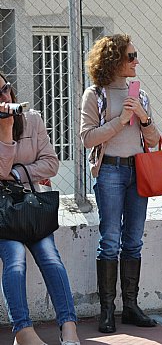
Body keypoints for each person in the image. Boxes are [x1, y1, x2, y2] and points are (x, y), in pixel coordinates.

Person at [80, 34, 160, 333]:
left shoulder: (141, 94)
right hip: (111, 172)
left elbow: (153, 140)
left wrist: (143, 117)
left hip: (138, 171)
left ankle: (130, 306)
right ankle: (106, 310)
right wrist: (120, 120)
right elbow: (87, 138)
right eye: (131, 55)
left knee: (134, 239)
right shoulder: (96, 95)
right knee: (110, 239)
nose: (136, 60)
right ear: (114, 60)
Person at [0, 73, 80, 345]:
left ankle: (69, 326)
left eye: (5, 90)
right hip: (2, 213)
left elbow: (51, 164)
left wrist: (18, 174)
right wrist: (6, 133)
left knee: (50, 256)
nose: (4, 98)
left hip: (31, 206)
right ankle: (23, 331)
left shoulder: (32, 119)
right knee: (15, 260)